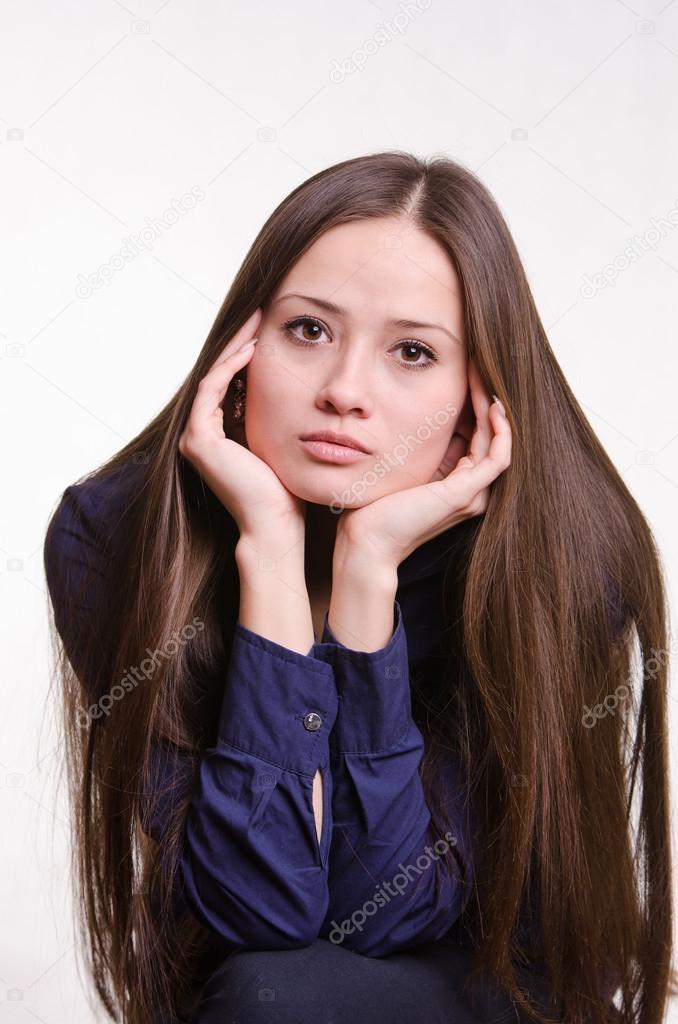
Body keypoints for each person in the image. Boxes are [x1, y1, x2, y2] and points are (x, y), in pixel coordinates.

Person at [43, 151, 675, 1024]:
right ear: (243, 346)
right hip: (262, 996)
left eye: (412, 352)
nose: (344, 392)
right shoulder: (118, 538)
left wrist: (367, 576)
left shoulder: (566, 561)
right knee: (272, 992)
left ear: (477, 399)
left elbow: (383, 911)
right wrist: (268, 556)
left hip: (504, 989)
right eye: (309, 331)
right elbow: (258, 909)